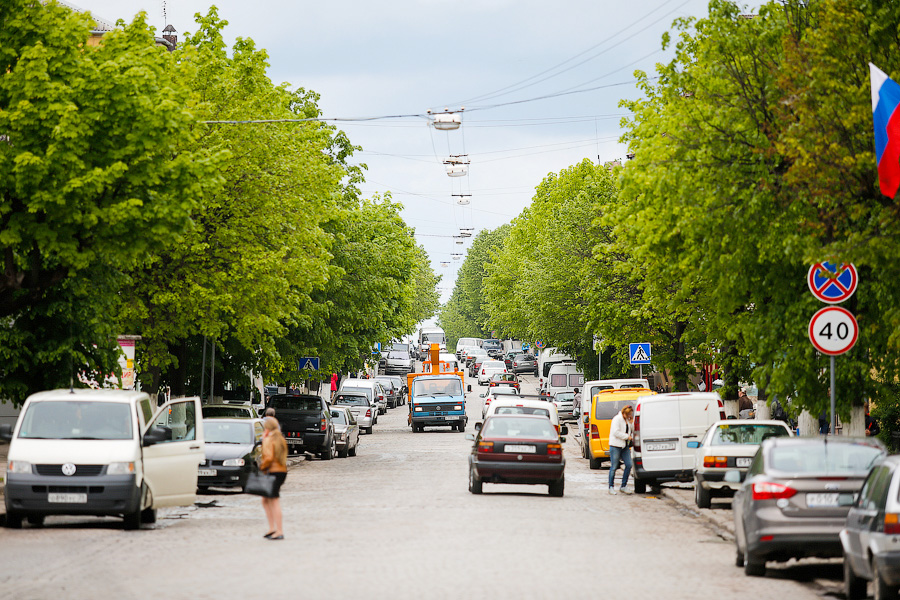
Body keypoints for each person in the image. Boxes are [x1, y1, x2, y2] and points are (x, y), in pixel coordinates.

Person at [259, 416, 288, 540]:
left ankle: (278, 530)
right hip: (281, 471)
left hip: (273, 471)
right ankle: (272, 528)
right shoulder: (280, 438)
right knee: (266, 500)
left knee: (274, 500)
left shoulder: (269, 439)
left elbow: (269, 457)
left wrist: (261, 468)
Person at [608, 405, 635, 495]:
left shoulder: (627, 420)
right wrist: (627, 437)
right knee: (614, 466)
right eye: (628, 415)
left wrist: (631, 423)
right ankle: (611, 486)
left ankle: (623, 485)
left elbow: (632, 430)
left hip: (624, 446)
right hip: (615, 445)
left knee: (629, 464)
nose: (629, 416)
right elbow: (616, 432)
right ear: (624, 413)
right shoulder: (617, 419)